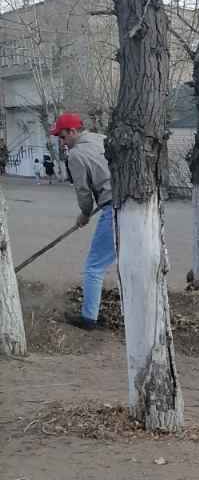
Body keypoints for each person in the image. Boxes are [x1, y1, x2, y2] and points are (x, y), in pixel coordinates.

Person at [50, 112, 114, 332]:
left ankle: (88, 319)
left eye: (62, 136)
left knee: (94, 267)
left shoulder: (76, 155)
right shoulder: (102, 138)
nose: (62, 142)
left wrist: (84, 213)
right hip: (134, 204)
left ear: (72, 131)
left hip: (113, 208)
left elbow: (83, 191)